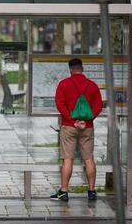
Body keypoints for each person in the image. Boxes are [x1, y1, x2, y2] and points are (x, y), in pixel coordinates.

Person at [51, 58, 102, 201]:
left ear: (70, 70)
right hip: (87, 128)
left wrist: (73, 121)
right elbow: (98, 106)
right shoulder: (92, 86)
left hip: (69, 127)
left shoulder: (64, 84)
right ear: (82, 69)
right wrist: (86, 121)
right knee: (89, 159)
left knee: (68, 159)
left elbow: (60, 105)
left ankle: (64, 191)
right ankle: (91, 191)